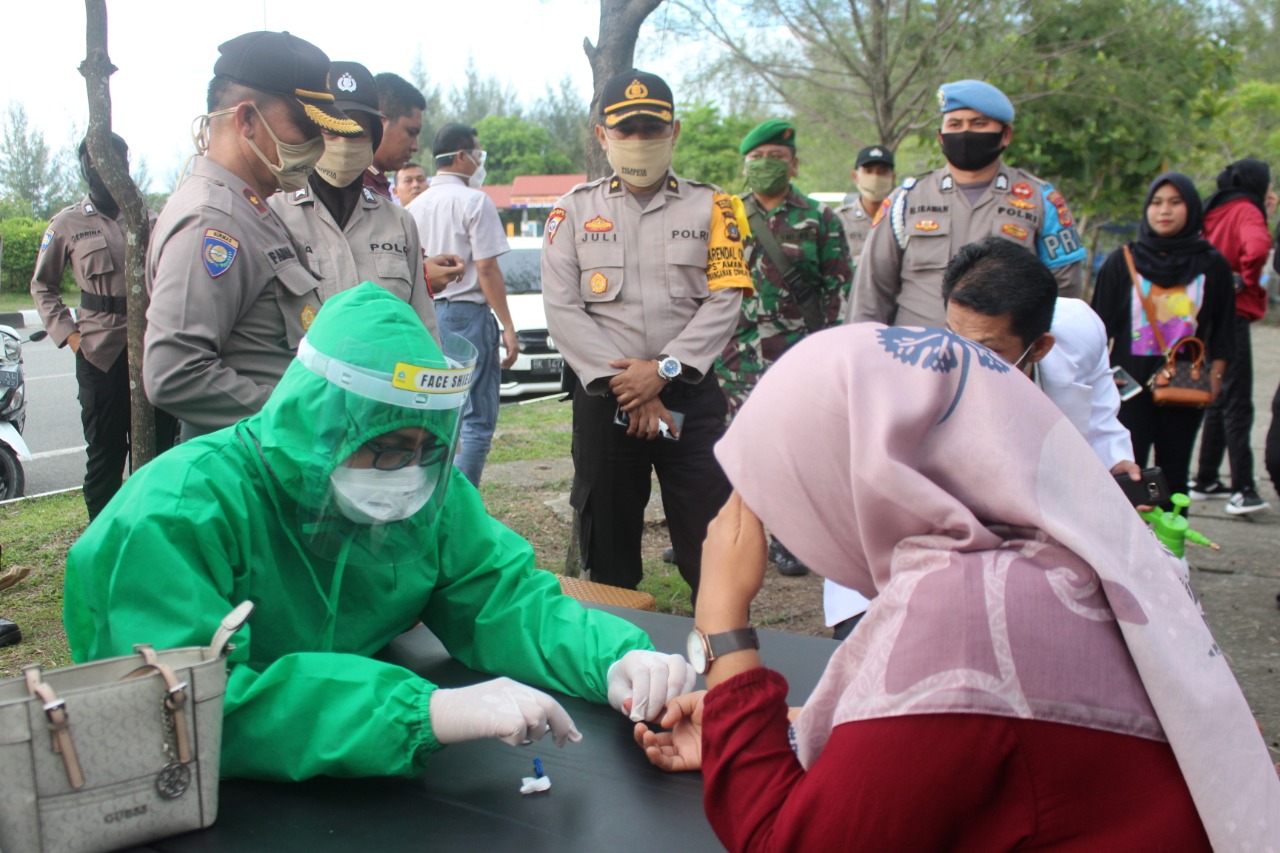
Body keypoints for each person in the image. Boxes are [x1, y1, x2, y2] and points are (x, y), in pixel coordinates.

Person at [634, 323, 1279, 851]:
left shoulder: (972, 617)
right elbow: (982, 739)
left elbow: (787, 842)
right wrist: (771, 732)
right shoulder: (1058, 550)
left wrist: (722, 624)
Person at [64, 283, 695, 781]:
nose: (407, 474)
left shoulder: (429, 494)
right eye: (387, 447)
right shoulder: (177, 513)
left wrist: (611, 657)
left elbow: (501, 599)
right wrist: (418, 710)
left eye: (428, 449)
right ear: (322, 426)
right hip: (202, 793)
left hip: (359, 772)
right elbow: (183, 706)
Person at [828, 237, 1144, 642]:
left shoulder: (1079, 332)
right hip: (908, 542)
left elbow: (1099, 412)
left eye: (987, 349)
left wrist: (1113, 463)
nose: (962, 359)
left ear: (1039, 347)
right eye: (953, 334)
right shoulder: (909, 384)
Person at [541, 70, 752, 601]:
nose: (639, 139)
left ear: (674, 131)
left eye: (651, 128)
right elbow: (562, 309)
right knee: (608, 543)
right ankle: (613, 642)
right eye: (626, 129)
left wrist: (661, 372)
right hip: (606, 401)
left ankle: (720, 640)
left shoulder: (715, 207)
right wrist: (631, 387)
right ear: (602, 135)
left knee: (710, 533)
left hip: (687, 397)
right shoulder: (572, 211)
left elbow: (725, 299)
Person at [143, 30, 361, 441]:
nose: (317, 146)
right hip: (250, 458)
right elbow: (174, 373)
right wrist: (300, 416)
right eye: (306, 127)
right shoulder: (212, 220)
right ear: (246, 120)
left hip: (274, 452)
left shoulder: (252, 207)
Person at [715, 119, 851, 577]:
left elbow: (837, 289)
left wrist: (828, 355)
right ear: (744, 165)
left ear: (794, 165)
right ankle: (722, 530)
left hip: (796, 357)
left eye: (776, 158)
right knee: (728, 445)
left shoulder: (820, 219)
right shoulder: (724, 216)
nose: (766, 165)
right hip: (733, 354)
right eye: (757, 158)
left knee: (791, 449)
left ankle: (791, 540)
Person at [851, 79, 1086, 327]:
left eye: (978, 124)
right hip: (915, 348)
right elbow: (871, 291)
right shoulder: (905, 200)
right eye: (955, 124)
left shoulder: (1041, 200)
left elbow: (1065, 293)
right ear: (941, 137)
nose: (965, 133)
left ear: (1005, 135)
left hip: (997, 349)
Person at [30, 133, 174, 519]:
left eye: (115, 159)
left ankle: (150, 531)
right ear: (86, 168)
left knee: (159, 450)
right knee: (105, 457)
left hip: (151, 350)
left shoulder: (150, 219)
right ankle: (103, 538)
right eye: (95, 161)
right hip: (98, 354)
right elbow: (42, 286)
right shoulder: (67, 223)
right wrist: (71, 336)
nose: (105, 169)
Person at [269, 61, 455, 342]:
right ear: (313, 134)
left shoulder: (398, 222)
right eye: (331, 129)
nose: (344, 142)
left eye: (356, 130)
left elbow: (424, 328)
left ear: (373, 138)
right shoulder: (274, 217)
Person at [1091, 172, 1235, 499]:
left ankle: (1173, 532)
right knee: (1127, 474)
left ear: (1192, 208)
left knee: (1175, 473)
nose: (1164, 211)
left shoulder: (1212, 264)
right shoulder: (1123, 261)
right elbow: (1097, 330)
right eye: (1156, 203)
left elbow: (1225, 330)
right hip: (1127, 385)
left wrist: (1215, 377)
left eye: (1174, 202)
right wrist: (1099, 379)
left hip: (1185, 383)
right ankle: (1126, 533)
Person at [407, 123, 518, 486]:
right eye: (476, 154)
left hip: (426, 314)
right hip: (467, 314)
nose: (478, 161)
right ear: (460, 156)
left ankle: (434, 496)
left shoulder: (413, 207)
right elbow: (486, 267)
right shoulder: (474, 200)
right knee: (476, 419)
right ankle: (461, 504)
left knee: (438, 413)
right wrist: (508, 326)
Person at [1190, 158, 1273, 515]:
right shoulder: (1247, 211)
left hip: (1205, 311)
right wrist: (1245, 279)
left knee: (1219, 393)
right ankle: (1244, 489)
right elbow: (1257, 247)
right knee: (1238, 401)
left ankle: (1206, 477)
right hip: (1233, 313)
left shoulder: (1215, 207)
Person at [364, 72, 425, 200]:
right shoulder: (349, 187)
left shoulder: (375, 183)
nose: (415, 147)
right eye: (411, 132)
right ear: (379, 122)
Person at [835, 144, 895, 273]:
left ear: (892, 177)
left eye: (882, 171)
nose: (875, 177)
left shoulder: (901, 219)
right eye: (868, 171)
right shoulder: (839, 220)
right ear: (855, 176)